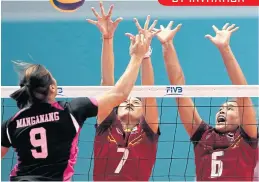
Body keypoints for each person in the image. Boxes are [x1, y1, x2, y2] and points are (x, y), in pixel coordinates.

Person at [1, 30, 151, 181]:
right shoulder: (72, 111)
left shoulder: (10, 124)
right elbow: (119, 94)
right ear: (52, 88)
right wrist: (137, 56)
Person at [155, 22, 258, 181]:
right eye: (221, 109)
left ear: (242, 118)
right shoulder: (202, 135)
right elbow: (179, 90)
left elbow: (242, 91)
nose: (222, 111)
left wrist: (225, 49)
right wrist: (167, 45)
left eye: (230, 108)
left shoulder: (247, 137)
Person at [87, 3, 160, 181]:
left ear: (143, 112)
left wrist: (145, 55)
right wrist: (107, 38)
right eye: (126, 101)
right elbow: (107, 84)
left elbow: (148, 92)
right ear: (115, 108)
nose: (128, 102)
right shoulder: (106, 125)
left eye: (136, 102)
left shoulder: (148, 131)